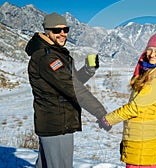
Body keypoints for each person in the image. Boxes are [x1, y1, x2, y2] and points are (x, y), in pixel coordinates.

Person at [25, 12, 107, 168]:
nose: (63, 34)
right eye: (57, 30)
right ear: (47, 31)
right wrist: (100, 112)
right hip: (56, 124)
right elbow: (73, 88)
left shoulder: (56, 53)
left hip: (58, 121)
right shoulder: (46, 57)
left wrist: (88, 70)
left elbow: (70, 82)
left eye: (65, 29)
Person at [97, 29, 156, 168]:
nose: (152, 54)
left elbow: (136, 107)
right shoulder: (148, 72)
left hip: (143, 138)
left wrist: (109, 119)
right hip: (137, 135)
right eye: (150, 50)